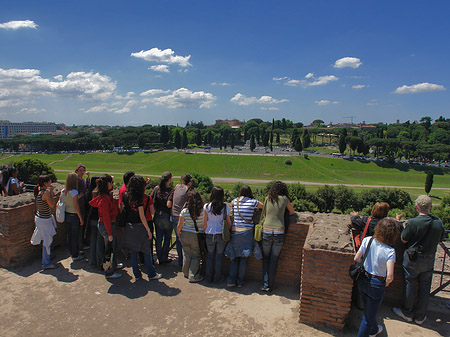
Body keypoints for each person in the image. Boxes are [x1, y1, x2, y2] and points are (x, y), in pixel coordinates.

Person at [393, 195, 445, 326]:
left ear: (417, 207)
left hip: (413, 259)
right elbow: (441, 239)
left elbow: (403, 239)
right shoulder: (438, 223)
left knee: (410, 284)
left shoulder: (413, 222)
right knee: (425, 286)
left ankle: (407, 313)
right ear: (431, 207)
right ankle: (420, 316)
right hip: (429, 259)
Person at [354, 218, 399, 337]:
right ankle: (370, 330)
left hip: (363, 279)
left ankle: (374, 331)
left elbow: (356, 259)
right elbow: (390, 276)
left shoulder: (368, 240)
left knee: (368, 311)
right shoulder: (390, 251)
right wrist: (385, 284)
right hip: (377, 283)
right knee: (367, 321)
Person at [121, 175, 162, 282]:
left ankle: (137, 275)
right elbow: (142, 216)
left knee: (133, 252)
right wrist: (148, 230)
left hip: (129, 226)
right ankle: (151, 274)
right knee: (147, 251)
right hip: (140, 227)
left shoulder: (126, 196)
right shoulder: (139, 199)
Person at [225, 185, 263, 288]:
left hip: (235, 231)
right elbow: (263, 206)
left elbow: (231, 204)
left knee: (234, 258)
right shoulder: (252, 202)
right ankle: (240, 282)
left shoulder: (234, 201)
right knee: (244, 259)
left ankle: (231, 280)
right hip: (247, 233)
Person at [260, 181, 295, 292]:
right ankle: (271, 285)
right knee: (274, 260)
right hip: (279, 231)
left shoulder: (267, 198)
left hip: (266, 230)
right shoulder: (285, 199)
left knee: (266, 258)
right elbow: (292, 212)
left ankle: (265, 284)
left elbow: (265, 214)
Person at [89, 174, 121, 279]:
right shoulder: (105, 199)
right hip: (107, 225)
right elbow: (106, 217)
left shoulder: (103, 196)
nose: (112, 184)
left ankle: (112, 266)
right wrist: (110, 233)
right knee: (109, 250)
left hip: (104, 224)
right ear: (107, 183)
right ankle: (109, 272)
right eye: (111, 182)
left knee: (111, 247)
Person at [202, 186, 231, 283]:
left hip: (210, 233)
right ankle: (217, 277)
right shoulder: (225, 207)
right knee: (219, 256)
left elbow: (204, 222)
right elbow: (228, 222)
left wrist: (205, 231)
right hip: (220, 234)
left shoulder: (206, 206)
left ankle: (208, 277)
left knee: (210, 256)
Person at [30, 175, 58, 270]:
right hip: (45, 220)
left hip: (41, 218)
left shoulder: (38, 191)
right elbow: (52, 205)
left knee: (46, 241)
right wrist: (52, 192)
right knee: (47, 241)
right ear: (45, 183)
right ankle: (46, 263)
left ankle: (47, 257)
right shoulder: (45, 193)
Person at [177, 190, 204, 283]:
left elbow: (179, 224)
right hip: (196, 234)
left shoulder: (184, 211)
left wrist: (178, 233)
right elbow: (205, 224)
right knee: (196, 255)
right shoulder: (203, 211)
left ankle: (186, 272)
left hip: (185, 233)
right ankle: (193, 275)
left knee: (186, 253)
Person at [168, 174, 193, 269]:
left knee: (179, 240)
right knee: (185, 241)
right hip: (182, 218)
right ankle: (185, 263)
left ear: (182, 180)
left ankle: (180, 261)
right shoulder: (188, 190)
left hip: (173, 216)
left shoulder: (177, 187)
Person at [60, 172, 85, 261]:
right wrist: (81, 218)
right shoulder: (74, 192)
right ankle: (75, 255)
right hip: (74, 215)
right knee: (75, 236)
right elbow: (76, 207)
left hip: (67, 214)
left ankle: (71, 252)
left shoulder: (63, 191)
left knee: (69, 235)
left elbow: (64, 202)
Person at [151, 172, 173, 264]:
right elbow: (169, 205)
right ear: (169, 180)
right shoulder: (171, 190)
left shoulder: (156, 189)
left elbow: (150, 199)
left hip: (157, 215)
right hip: (166, 216)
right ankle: (164, 257)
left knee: (159, 238)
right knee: (167, 237)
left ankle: (159, 257)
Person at [86, 175, 102, 270]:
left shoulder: (88, 193)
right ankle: (99, 262)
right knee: (99, 242)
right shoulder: (98, 194)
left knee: (93, 241)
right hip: (98, 219)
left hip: (91, 219)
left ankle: (92, 261)